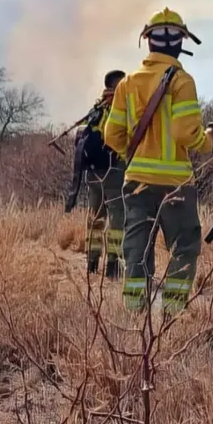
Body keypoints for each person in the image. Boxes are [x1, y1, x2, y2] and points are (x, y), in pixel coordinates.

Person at [103, 8, 213, 316]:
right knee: (184, 248)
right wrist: (208, 143)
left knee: (137, 249)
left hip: (137, 180)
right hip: (176, 184)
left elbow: (111, 134)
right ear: (181, 43)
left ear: (148, 42)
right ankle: (170, 314)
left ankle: (134, 315)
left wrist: (137, 153)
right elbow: (185, 132)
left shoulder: (127, 83)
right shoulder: (183, 81)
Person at [78, 69, 128, 278]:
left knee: (95, 218)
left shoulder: (95, 109)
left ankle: (91, 262)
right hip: (114, 170)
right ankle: (113, 265)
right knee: (118, 219)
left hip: (92, 173)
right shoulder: (119, 108)